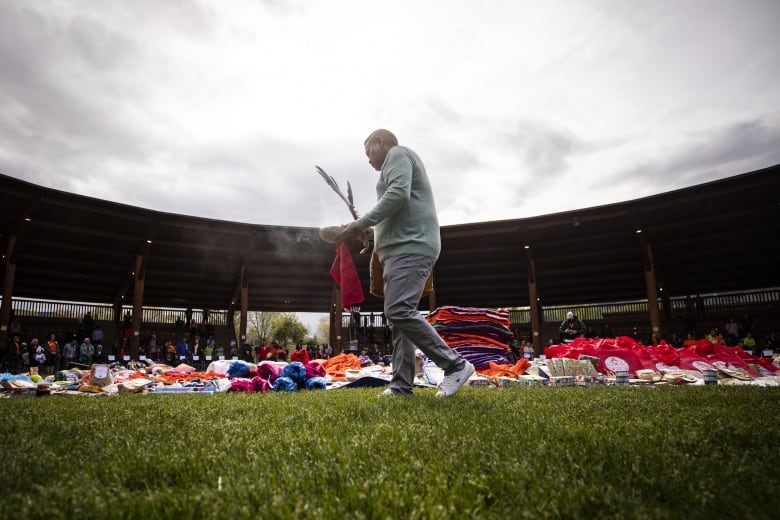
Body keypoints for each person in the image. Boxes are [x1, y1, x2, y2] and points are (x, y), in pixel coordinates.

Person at [333, 129, 475, 398]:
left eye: (369, 152)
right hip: (398, 249)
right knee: (399, 320)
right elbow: (396, 206)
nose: (368, 159)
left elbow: (398, 194)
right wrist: (374, 234)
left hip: (411, 246)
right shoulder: (394, 162)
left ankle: (455, 365)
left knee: (398, 310)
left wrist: (360, 223)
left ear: (380, 142)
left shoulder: (398, 154)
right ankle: (401, 386)